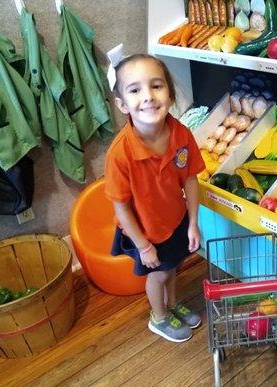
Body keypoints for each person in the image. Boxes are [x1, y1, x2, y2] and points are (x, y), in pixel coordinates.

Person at [104, 51, 205, 343]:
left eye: (156, 86)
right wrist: (144, 246)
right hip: (145, 231)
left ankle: (172, 305)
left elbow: (190, 178)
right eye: (135, 90)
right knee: (158, 274)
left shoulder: (181, 134)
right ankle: (159, 318)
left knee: (175, 266)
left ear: (170, 95)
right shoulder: (120, 153)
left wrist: (193, 222)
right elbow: (121, 207)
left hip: (175, 219)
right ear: (123, 104)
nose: (148, 96)